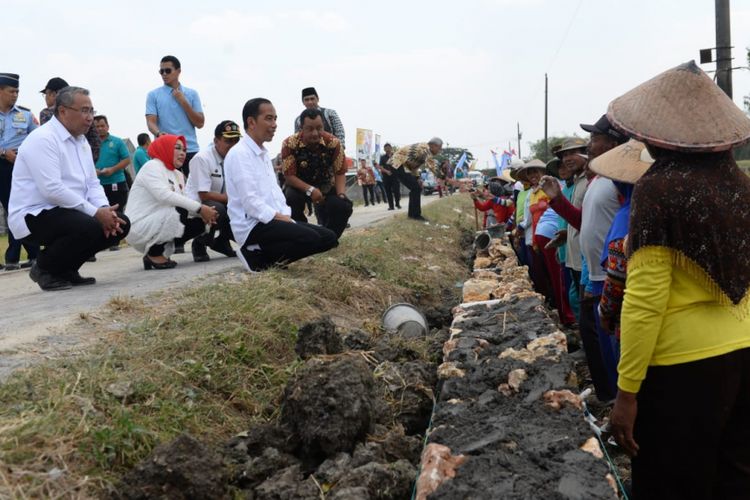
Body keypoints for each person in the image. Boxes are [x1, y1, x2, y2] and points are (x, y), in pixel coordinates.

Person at [607, 61, 750, 498]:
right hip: (743, 352)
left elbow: (645, 300)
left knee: (672, 482)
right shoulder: (740, 185)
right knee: (735, 478)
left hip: (681, 370)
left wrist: (626, 392)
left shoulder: (657, 188)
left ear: (655, 136)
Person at [541, 115, 627, 401]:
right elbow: (583, 222)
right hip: (596, 274)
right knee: (601, 344)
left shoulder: (622, 178)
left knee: (614, 345)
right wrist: (557, 199)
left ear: (612, 142)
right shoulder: (597, 180)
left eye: (594, 139)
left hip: (612, 274)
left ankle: (619, 402)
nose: (589, 146)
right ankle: (609, 398)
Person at [8, 86, 129, 290]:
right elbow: (51, 190)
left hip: (68, 212)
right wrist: (95, 213)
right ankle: (44, 268)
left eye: (92, 111)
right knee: (89, 225)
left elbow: (92, 183)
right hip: (34, 213)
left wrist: (105, 210)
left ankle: (66, 269)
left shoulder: (81, 141)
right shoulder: (43, 139)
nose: (90, 117)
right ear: (63, 111)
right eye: (84, 110)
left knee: (121, 224)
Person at [225, 98, 338, 272]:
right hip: (253, 226)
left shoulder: (262, 153)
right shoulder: (239, 154)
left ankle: (271, 255)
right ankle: (255, 255)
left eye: (275, 119)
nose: (274, 124)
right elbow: (250, 203)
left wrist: (287, 218)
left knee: (329, 238)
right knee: (310, 238)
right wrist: (282, 219)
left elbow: (275, 193)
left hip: (273, 220)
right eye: (269, 119)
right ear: (251, 122)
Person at [589, 140, 653, 338]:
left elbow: (617, 277)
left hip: (631, 318)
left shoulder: (626, 215)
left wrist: (605, 312)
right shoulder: (658, 208)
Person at [125, 134, 217, 270]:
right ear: (165, 148)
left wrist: (204, 215)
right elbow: (164, 196)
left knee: (199, 223)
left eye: (184, 150)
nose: (182, 153)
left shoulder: (177, 174)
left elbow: (183, 199)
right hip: (139, 226)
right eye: (177, 148)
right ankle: (154, 253)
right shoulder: (152, 166)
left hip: (159, 220)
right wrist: (200, 208)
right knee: (181, 210)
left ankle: (157, 252)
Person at [281, 108, 352, 238]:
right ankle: (303, 236)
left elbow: (340, 172)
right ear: (301, 128)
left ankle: (330, 238)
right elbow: (289, 176)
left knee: (343, 205)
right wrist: (310, 190)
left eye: (319, 128)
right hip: (299, 186)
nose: (315, 133)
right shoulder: (289, 144)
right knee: (290, 200)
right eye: (309, 129)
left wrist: (341, 194)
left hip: (325, 184)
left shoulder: (334, 143)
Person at [184, 120, 241, 262]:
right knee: (220, 210)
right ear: (216, 141)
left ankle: (221, 241)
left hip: (223, 200)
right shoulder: (202, 158)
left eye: (236, 140)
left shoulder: (235, 158)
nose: (233, 145)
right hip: (197, 204)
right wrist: (231, 199)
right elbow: (203, 194)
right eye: (228, 141)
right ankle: (199, 243)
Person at [0, 72, 39, 270]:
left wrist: (21, 155)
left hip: (17, 167)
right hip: (2, 160)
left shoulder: (25, 115)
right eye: (11, 91)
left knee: (16, 209)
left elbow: (39, 139)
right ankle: (17, 256)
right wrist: (3, 152)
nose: (15, 95)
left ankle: (20, 256)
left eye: (17, 91)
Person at [145, 55, 204, 177]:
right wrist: (158, 133)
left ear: (178, 71)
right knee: (167, 191)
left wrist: (183, 101)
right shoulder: (153, 95)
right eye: (161, 71)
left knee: (195, 193)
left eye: (168, 70)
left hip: (189, 149)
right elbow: (150, 122)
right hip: (165, 151)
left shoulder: (191, 94)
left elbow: (200, 123)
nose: (164, 74)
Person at [39, 77, 102, 162]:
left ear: (52, 94)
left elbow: (48, 142)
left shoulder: (46, 113)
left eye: (46, 94)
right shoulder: (86, 114)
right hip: (83, 161)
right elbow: (96, 143)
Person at [93, 115, 131, 250]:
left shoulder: (117, 142)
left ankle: (114, 242)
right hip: (96, 186)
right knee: (99, 214)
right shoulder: (89, 143)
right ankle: (101, 242)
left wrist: (113, 169)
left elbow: (127, 159)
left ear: (107, 126)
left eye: (102, 126)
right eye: (96, 126)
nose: (99, 129)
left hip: (116, 182)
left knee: (117, 212)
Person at [390, 138, 443, 221]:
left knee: (416, 187)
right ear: (433, 146)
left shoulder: (423, 149)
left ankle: (413, 215)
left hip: (403, 165)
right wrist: (443, 177)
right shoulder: (425, 149)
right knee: (415, 188)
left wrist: (418, 178)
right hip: (398, 164)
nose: (440, 150)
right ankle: (415, 215)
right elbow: (431, 165)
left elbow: (414, 165)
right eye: (439, 148)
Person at [379, 143, 401, 210]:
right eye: (386, 148)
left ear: (391, 148)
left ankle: (397, 203)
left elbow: (399, 164)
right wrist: (387, 171)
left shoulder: (395, 156)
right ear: (384, 149)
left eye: (388, 148)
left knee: (397, 191)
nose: (387, 149)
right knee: (388, 192)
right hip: (386, 177)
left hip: (395, 176)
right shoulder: (382, 157)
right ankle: (391, 206)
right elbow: (381, 167)